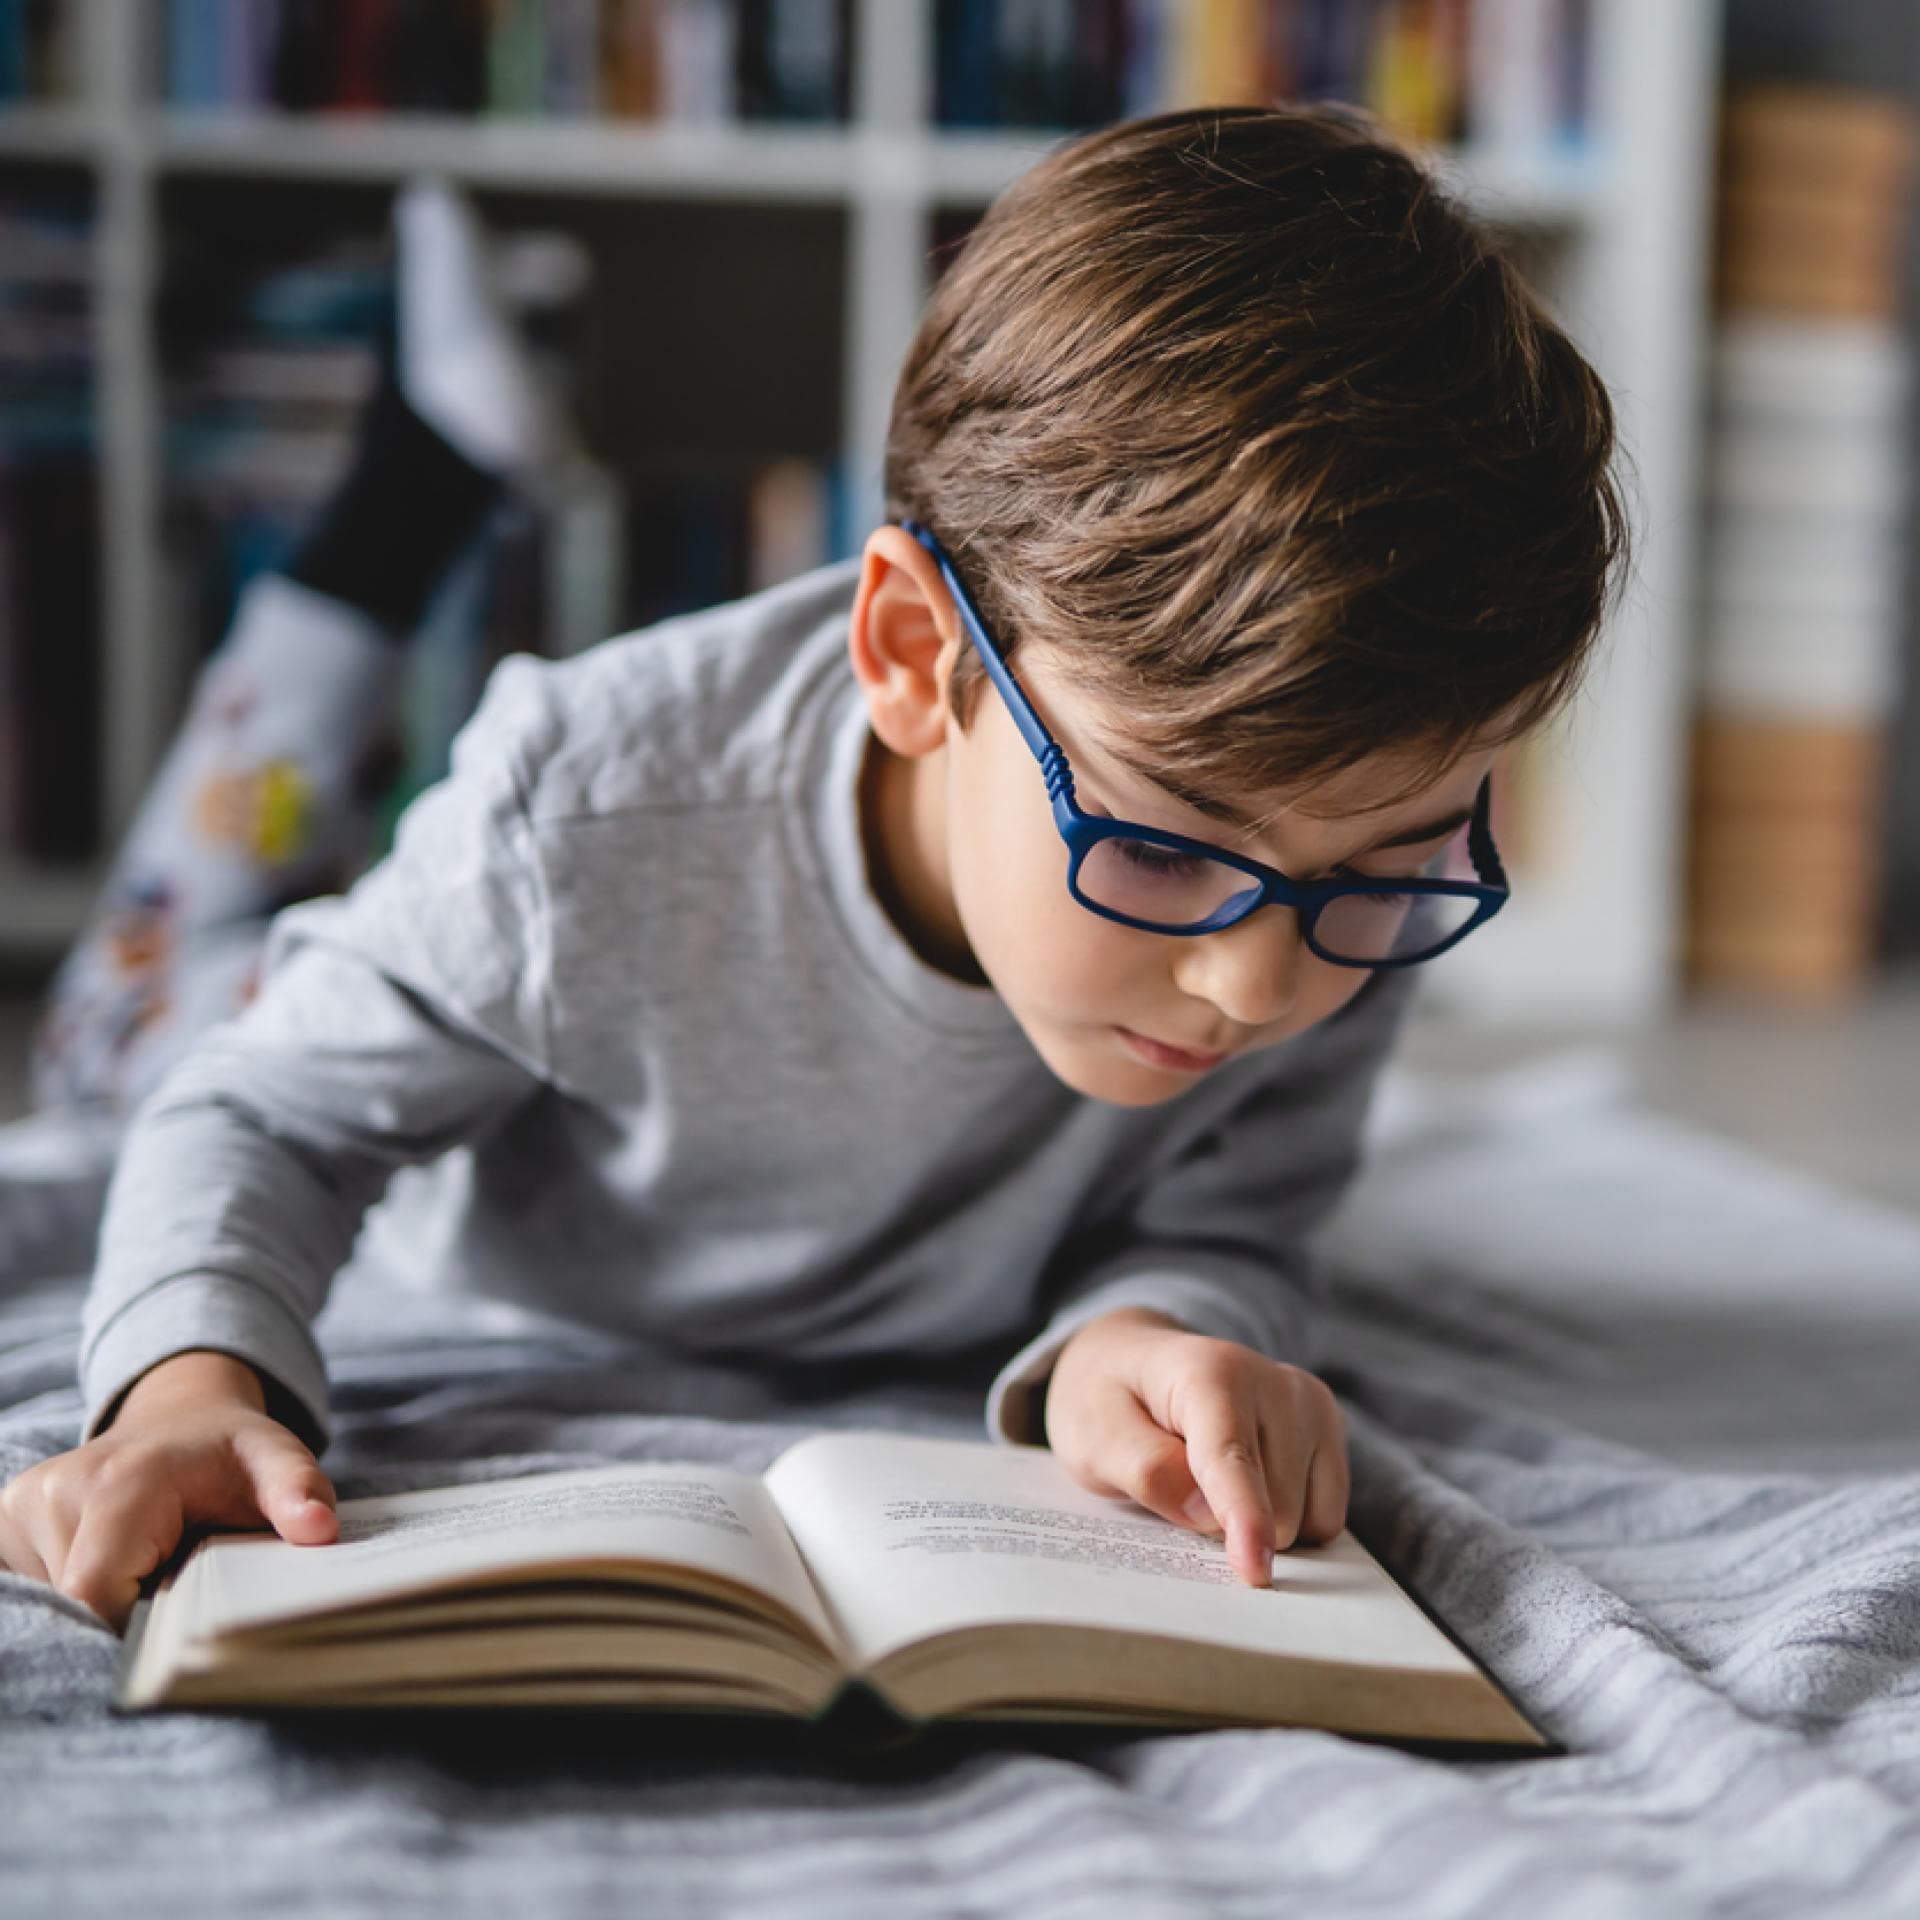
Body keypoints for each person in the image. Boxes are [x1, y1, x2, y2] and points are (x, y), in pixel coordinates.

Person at [0, 104, 1626, 1632]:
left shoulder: (1325, 885)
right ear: (917, 655)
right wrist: (193, 1389)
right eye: (1166, 845)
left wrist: (1148, 1334)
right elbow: (258, 1113)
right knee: (143, 995)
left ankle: (427, 471)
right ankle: (402, 500)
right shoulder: (585, 819)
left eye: (1388, 871)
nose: (1261, 984)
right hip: (298, 1009)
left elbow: (1232, 1213)